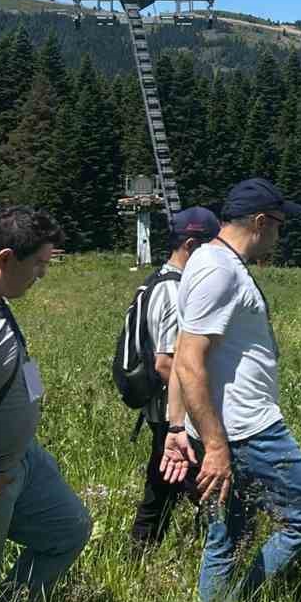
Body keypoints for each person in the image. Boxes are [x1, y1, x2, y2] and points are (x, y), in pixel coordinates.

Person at [164, 178, 301, 602]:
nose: (280, 233)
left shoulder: (213, 263)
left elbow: (185, 349)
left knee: (228, 534)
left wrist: (177, 425)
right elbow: (188, 359)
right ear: (260, 221)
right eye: (278, 224)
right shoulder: (219, 269)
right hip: (246, 429)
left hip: (228, 426)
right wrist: (215, 445)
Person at [0, 206, 92, 602]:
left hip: (22, 459)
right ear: (5, 259)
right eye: (39, 265)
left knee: (68, 529)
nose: (42, 276)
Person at [127, 206, 221, 552]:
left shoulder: (160, 281)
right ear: (192, 245)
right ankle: (219, 551)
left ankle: (141, 556)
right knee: (205, 485)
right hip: (171, 413)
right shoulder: (171, 290)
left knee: (164, 486)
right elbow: (166, 362)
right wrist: (198, 401)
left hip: (169, 411)